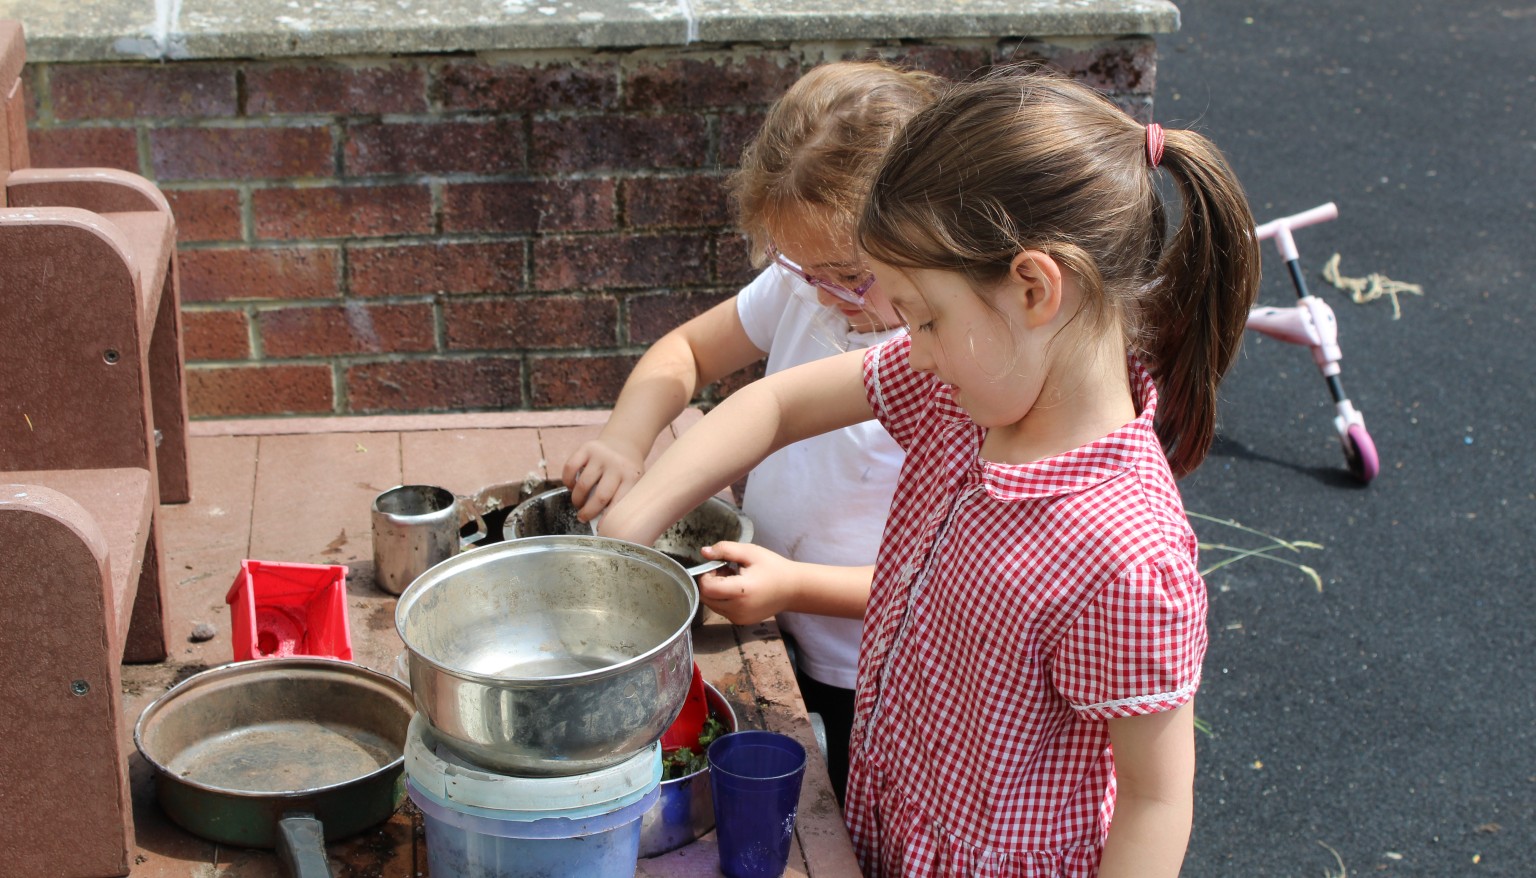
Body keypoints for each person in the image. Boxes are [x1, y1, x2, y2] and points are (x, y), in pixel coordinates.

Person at [598, 68, 1261, 878]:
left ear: (1032, 287)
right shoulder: (965, 381)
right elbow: (771, 407)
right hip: (890, 822)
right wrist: (620, 544)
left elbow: (1156, 802)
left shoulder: (1127, 557)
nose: (905, 347)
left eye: (923, 316)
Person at [560, 60, 943, 806]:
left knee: (835, 819)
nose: (826, 297)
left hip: (872, 668)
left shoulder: (941, 360)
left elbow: (950, 578)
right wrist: (624, 440)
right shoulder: (807, 288)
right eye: (803, 270)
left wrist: (797, 585)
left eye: (848, 274)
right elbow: (687, 353)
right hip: (770, 620)